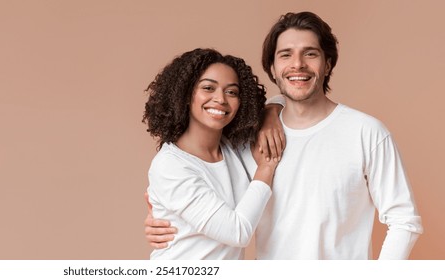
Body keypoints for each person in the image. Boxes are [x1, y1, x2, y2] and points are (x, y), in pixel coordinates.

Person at [144, 11, 423, 260]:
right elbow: (206, 197)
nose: (298, 64)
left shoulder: (366, 132)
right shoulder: (247, 141)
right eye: (285, 55)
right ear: (273, 69)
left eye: (310, 54)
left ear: (327, 64)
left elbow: (404, 221)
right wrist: (164, 218)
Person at [143, 48, 280, 259]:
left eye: (232, 92)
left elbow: (288, 98)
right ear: (187, 94)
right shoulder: (171, 165)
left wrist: (271, 112)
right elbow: (238, 232)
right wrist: (266, 168)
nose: (221, 99)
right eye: (208, 88)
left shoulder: (233, 149)